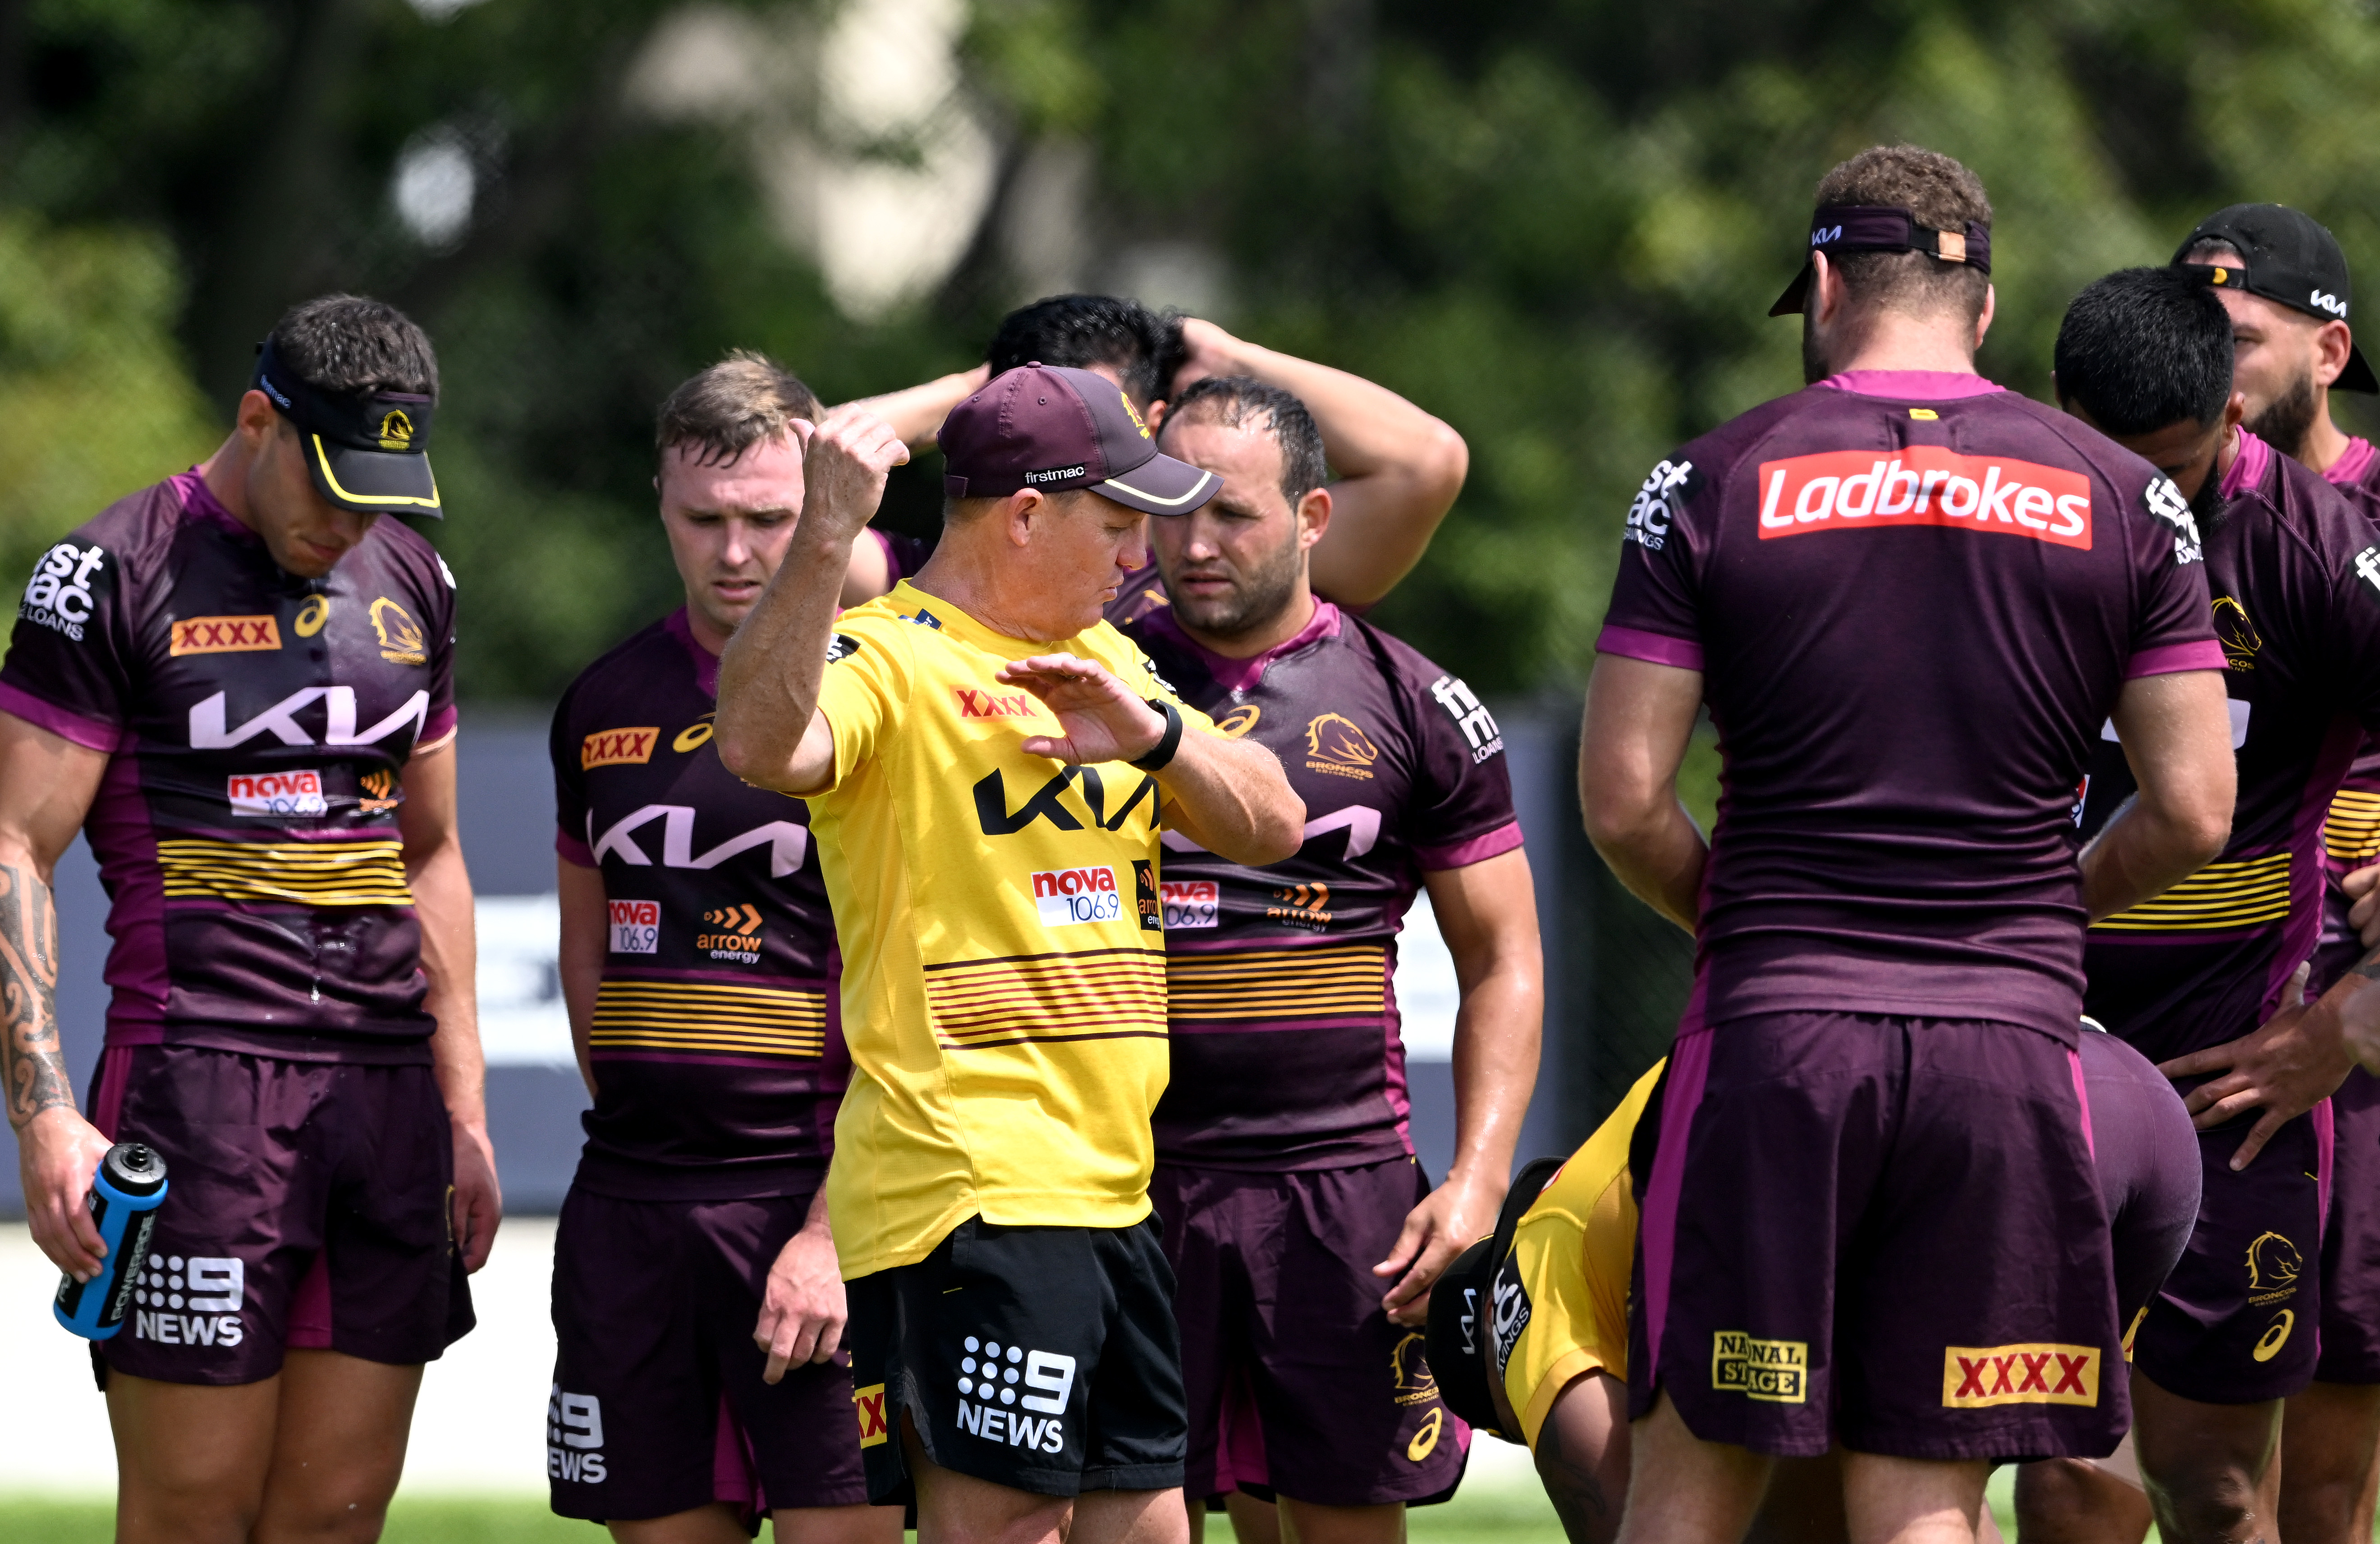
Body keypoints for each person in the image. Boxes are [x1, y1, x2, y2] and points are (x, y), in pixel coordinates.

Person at [1578, 146, 2236, 1544]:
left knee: (1690, 1490)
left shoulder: (1707, 477)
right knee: (1927, 1501)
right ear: (1985, 309)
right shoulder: (2130, 497)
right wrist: (2051, 904)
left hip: (1777, 1038)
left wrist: (1743, 923)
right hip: (2010, 1047)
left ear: (1821, 284)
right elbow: (2193, 806)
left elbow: (1626, 798)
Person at [711, 365, 1303, 1544]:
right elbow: (760, 743)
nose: (1143, 554)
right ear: (1027, 513)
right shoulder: (894, 656)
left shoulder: (1117, 664)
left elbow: (1277, 821)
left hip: (1109, 1190)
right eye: (1121, 522)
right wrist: (824, 535)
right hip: (969, 1187)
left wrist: (1157, 736)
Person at [0, 293, 495, 1543]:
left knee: (334, 1515)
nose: (352, 525)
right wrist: (47, 1112)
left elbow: (431, 852)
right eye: (332, 490)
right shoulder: (110, 572)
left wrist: (468, 1111)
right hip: (198, 1085)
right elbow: (14, 840)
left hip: (386, 1099)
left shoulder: (415, 577)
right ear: (258, 420)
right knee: (195, 1512)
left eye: (381, 495)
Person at [1105, 373, 1542, 1538]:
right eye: (1172, 508)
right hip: (1117, 1188)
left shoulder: (1415, 701)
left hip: (1342, 1195)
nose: (1195, 544)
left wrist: (1479, 1179)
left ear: (1311, 518)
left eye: (1233, 514)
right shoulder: (1091, 677)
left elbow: (1504, 959)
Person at [545, 353, 915, 1542]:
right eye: (705, 519)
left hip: (815, 1206)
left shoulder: (880, 688)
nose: (738, 551)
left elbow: (917, 992)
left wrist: (830, 1229)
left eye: (770, 518)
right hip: (634, 1210)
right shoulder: (604, 701)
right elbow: (590, 953)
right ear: (661, 498)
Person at [2051, 265, 2380, 1542]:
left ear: (2232, 417)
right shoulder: (2002, 518)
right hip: (2020, 1042)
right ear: (2062, 408)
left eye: (2174, 472)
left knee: (2221, 1489)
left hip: (2230, 1071)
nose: (2144, 503)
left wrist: (2348, 1024)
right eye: (2113, 466)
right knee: (2069, 1482)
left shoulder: (2323, 552)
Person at [1440, 1018, 2200, 1544]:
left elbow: (1634, 1520)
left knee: (1823, 1507)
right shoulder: (1592, 1188)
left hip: (1972, 1132)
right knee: (2005, 1484)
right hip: (2128, 1104)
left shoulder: (1527, 1312)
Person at [2170, 206, 2380, 1544]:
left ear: (2332, 351)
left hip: (2353, 1021)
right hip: (2205, 999)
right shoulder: (2148, 504)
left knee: (2324, 1476)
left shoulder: (2357, 519)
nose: (2211, 368)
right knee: (2109, 1468)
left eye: (2240, 341)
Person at [853, 294, 1468, 609]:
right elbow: (774, 488)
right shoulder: (943, 579)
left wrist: (1231, 359)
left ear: (1154, 420)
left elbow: (1425, 462)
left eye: (1097, 413)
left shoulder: (1207, 558)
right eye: (1043, 416)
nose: (1070, 444)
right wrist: (964, 396)